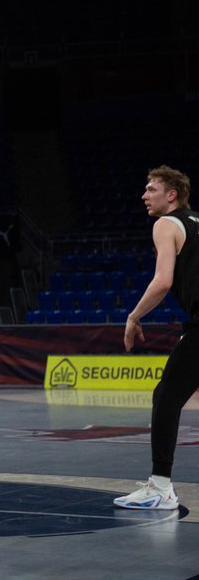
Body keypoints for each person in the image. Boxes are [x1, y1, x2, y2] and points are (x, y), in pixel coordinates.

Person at [115, 166, 199, 511]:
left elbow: (162, 282)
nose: (144, 195)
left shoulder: (166, 224)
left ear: (172, 195)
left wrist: (134, 316)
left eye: (151, 189)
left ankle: (161, 487)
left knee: (165, 397)